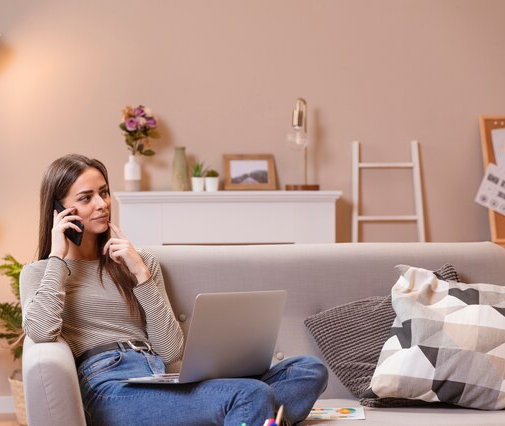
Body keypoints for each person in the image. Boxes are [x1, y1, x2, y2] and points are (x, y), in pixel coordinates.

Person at [21, 154, 328, 426]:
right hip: (107, 387)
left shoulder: (139, 263)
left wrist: (140, 274)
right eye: (86, 198)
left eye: (104, 192)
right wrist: (58, 259)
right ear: (60, 210)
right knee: (251, 395)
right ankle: (251, 414)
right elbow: (41, 331)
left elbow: (169, 351)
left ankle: (249, 416)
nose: (102, 204)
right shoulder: (43, 272)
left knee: (308, 370)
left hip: (156, 375)